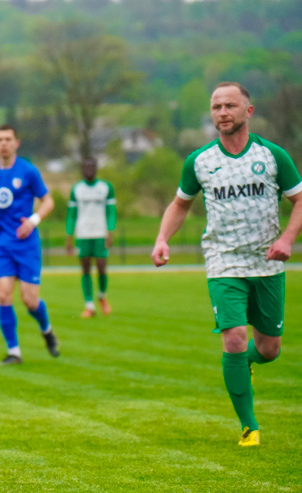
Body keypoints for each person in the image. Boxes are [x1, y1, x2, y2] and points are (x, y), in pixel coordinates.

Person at [151, 81, 302, 447]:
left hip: (266, 264)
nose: (222, 112)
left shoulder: (272, 156)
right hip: (223, 262)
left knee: (269, 349)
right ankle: (249, 426)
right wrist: (161, 239)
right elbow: (180, 204)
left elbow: (299, 200)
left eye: (230, 106)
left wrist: (286, 240)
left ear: (247, 111)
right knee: (233, 338)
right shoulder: (200, 161)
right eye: (216, 106)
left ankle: (246, 363)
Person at [0, 124, 60, 365]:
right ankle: (14, 352)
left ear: (16, 143)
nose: (4, 143)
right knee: (4, 294)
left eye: (8, 139)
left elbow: (48, 201)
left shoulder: (28, 171)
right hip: (0, 245)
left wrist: (34, 220)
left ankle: (47, 330)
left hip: (26, 244)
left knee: (30, 301)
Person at [65, 157, 117, 318]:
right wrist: (69, 235)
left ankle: (102, 296)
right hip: (83, 233)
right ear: (82, 169)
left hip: (100, 232)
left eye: (91, 166)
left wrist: (110, 231)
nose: (88, 169)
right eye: (85, 167)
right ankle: (89, 305)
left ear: (96, 168)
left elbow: (111, 211)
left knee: (101, 267)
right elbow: (72, 215)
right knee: (85, 268)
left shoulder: (106, 187)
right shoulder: (77, 189)